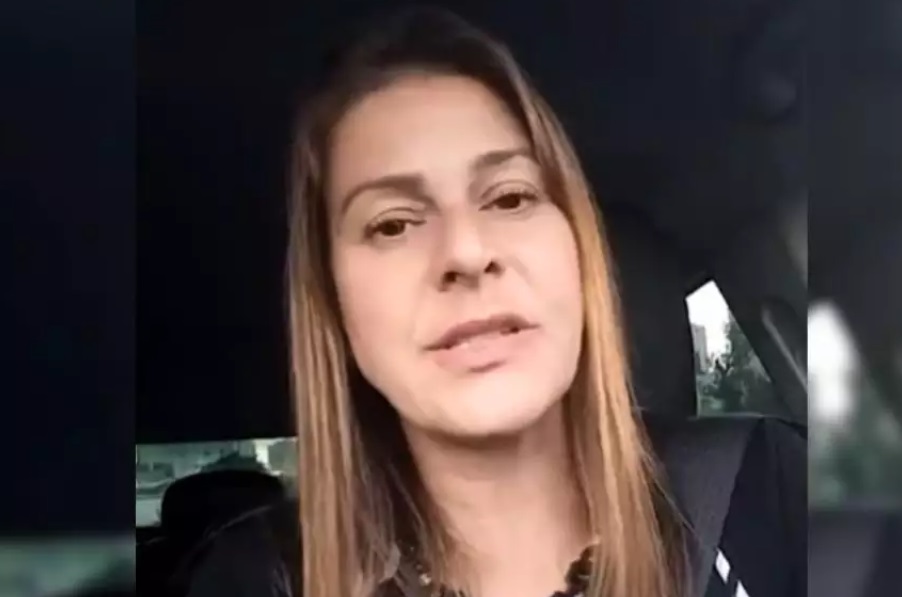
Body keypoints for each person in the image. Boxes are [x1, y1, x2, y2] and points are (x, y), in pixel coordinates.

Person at [184, 7, 804, 597]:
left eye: (510, 197)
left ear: (579, 249)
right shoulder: (259, 581)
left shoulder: (769, 490)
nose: (467, 251)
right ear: (332, 301)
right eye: (393, 224)